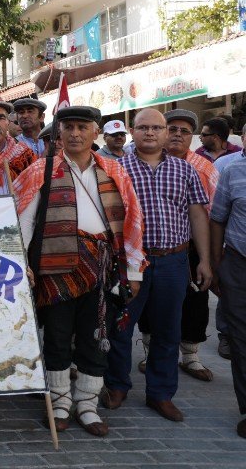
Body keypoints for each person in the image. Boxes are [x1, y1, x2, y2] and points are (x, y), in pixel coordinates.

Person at [14, 106, 145, 437]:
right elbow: (24, 220)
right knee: (57, 336)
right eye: (68, 127)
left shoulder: (114, 171)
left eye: (81, 127)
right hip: (55, 268)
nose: (74, 133)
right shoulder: (40, 171)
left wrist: (134, 271)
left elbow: (131, 222)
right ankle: (59, 403)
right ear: (59, 133)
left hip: (102, 268)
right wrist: (21, 263)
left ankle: (87, 405)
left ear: (95, 131)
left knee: (95, 336)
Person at [103, 109, 211, 424]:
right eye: (143, 127)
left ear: (165, 133)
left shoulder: (185, 170)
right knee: (120, 325)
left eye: (156, 128)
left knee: (168, 330)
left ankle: (161, 394)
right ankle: (117, 385)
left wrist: (204, 259)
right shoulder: (115, 169)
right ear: (132, 132)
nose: (150, 133)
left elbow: (197, 214)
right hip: (130, 262)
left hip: (174, 261)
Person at [149, 109, 219, 382]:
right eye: (173, 129)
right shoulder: (137, 163)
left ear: (193, 137)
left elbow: (214, 213)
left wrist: (209, 257)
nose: (178, 134)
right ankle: (147, 351)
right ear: (164, 132)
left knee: (196, 301)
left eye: (185, 131)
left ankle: (190, 356)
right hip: (150, 247)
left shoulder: (203, 168)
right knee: (148, 304)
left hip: (189, 248)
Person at [209, 150, 246, 439]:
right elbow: (218, 219)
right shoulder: (232, 171)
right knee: (240, 336)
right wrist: (216, 264)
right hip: (238, 263)